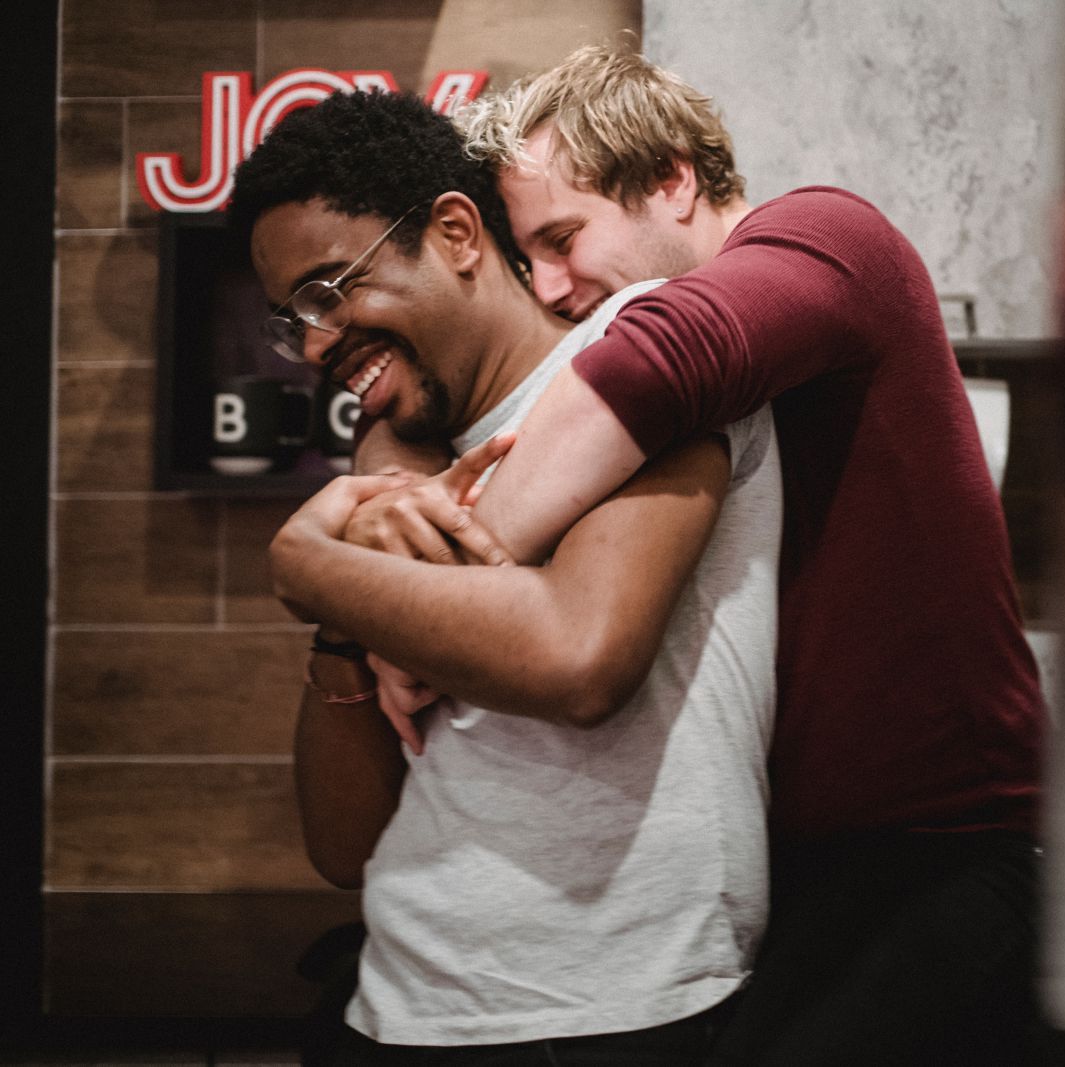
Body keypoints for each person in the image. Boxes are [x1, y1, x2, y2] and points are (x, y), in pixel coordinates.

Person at [420, 45, 1045, 1063]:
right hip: (801, 867)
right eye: (527, 257)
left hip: (949, 854)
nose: (550, 283)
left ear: (671, 179)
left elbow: (665, 352)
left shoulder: (831, 235)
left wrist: (421, 609)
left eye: (564, 236)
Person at [229, 89, 781, 1064]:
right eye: (292, 320)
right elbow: (345, 848)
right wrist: (340, 624)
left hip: (618, 1007)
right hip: (393, 1006)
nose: (314, 345)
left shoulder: (642, 358)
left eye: (328, 290)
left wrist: (312, 566)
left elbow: (580, 662)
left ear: (452, 230)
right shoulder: (391, 458)